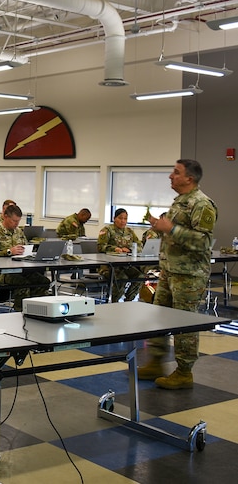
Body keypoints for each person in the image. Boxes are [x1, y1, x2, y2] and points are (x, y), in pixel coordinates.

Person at [137, 159, 217, 390]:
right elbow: (177, 235)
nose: (171, 176)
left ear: (189, 178)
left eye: (176, 172)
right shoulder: (180, 202)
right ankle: (156, 362)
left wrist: (170, 228)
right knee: (159, 317)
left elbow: (203, 242)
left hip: (189, 275)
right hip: (169, 271)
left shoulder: (201, 204)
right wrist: (161, 227)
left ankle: (184, 372)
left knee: (184, 322)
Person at [0, 205, 50, 311]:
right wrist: (9, 251)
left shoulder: (19, 232)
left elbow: (25, 247)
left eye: (18, 221)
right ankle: (20, 311)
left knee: (43, 282)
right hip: (1, 272)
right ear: (5, 217)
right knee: (23, 284)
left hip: (20, 269)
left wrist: (30, 254)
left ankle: (36, 309)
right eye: (14, 221)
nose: (16, 224)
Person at [97, 208, 143, 302]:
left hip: (126, 265)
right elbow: (101, 246)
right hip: (109, 266)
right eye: (120, 218)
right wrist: (115, 249)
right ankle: (114, 302)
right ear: (114, 218)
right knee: (122, 278)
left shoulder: (129, 231)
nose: (123, 221)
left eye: (125, 219)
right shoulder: (107, 230)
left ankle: (129, 300)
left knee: (140, 276)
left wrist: (130, 249)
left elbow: (139, 245)